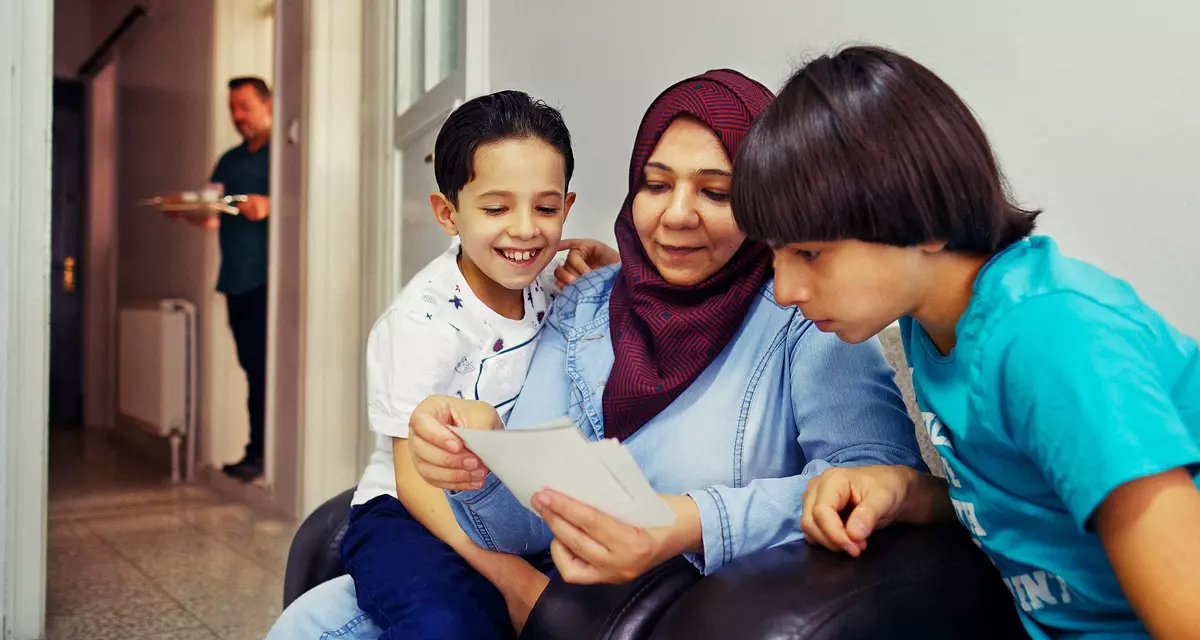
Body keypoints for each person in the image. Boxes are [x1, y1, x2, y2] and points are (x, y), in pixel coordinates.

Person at [267, 68, 926, 639]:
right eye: (656, 183)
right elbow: (518, 518)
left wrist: (691, 522)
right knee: (320, 618)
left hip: (671, 610)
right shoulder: (584, 302)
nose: (675, 215)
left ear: (767, 200)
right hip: (563, 592)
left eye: (717, 193)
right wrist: (479, 461)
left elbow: (873, 483)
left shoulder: (807, 313)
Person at [730, 46, 1200, 639]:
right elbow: (1029, 505)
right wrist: (905, 490)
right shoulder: (930, 321)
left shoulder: (1049, 338)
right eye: (774, 255)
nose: (785, 289)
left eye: (809, 253)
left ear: (922, 221)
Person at [274, 90, 585, 640]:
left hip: (495, 507)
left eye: (546, 206)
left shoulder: (545, 285)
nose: (525, 230)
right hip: (407, 511)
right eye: (495, 208)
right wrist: (509, 577)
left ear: (567, 205)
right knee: (446, 623)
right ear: (448, 213)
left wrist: (598, 262)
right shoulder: (423, 322)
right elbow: (415, 481)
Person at [171, 76, 274, 482]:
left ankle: (264, 455)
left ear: (268, 104)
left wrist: (270, 204)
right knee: (251, 367)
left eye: (245, 107)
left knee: (266, 369)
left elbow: (302, 206)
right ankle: (256, 453)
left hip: (269, 280)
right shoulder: (229, 161)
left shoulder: (282, 158)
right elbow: (212, 216)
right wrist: (186, 211)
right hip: (235, 280)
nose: (238, 116)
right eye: (233, 108)